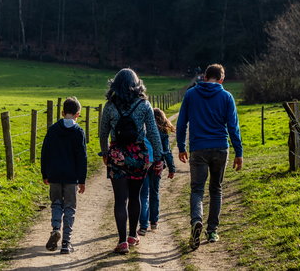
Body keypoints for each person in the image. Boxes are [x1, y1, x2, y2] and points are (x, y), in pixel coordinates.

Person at [176, 64, 243, 250]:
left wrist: (181, 147)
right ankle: (212, 230)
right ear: (221, 79)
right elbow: (233, 127)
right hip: (221, 148)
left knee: (197, 190)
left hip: (198, 149)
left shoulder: (191, 94)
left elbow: (181, 123)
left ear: (205, 77)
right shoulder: (227, 97)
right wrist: (239, 152)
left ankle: (196, 221)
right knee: (216, 189)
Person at [99, 68, 163, 254]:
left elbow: (102, 133)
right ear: (137, 85)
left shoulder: (110, 106)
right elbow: (153, 133)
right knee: (135, 197)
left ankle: (121, 241)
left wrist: (105, 152)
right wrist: (158, 157)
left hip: (117, 154)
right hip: (139, 156)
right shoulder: (144, 105)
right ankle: (133, 235)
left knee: (120, 199)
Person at [41, 97, 87, 254]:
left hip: (54, 174)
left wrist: (44, 174)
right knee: (69, 207)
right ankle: (66, 242)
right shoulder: (78, 132)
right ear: (78, 115)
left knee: (56, 203)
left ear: (62, 112)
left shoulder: (52, 130)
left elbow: (45, 153)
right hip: (71, 177)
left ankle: (55, 229)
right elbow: (82, 157)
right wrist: (82, 180)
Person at [138, 108, 176, 236]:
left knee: (143, 195)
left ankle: (143, 225)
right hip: (157, 165)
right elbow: (167, 151)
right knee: (154, 192)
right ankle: (154, 222)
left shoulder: (143, 128)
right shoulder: (162, 131)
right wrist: (171, 168)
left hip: (144, 163)